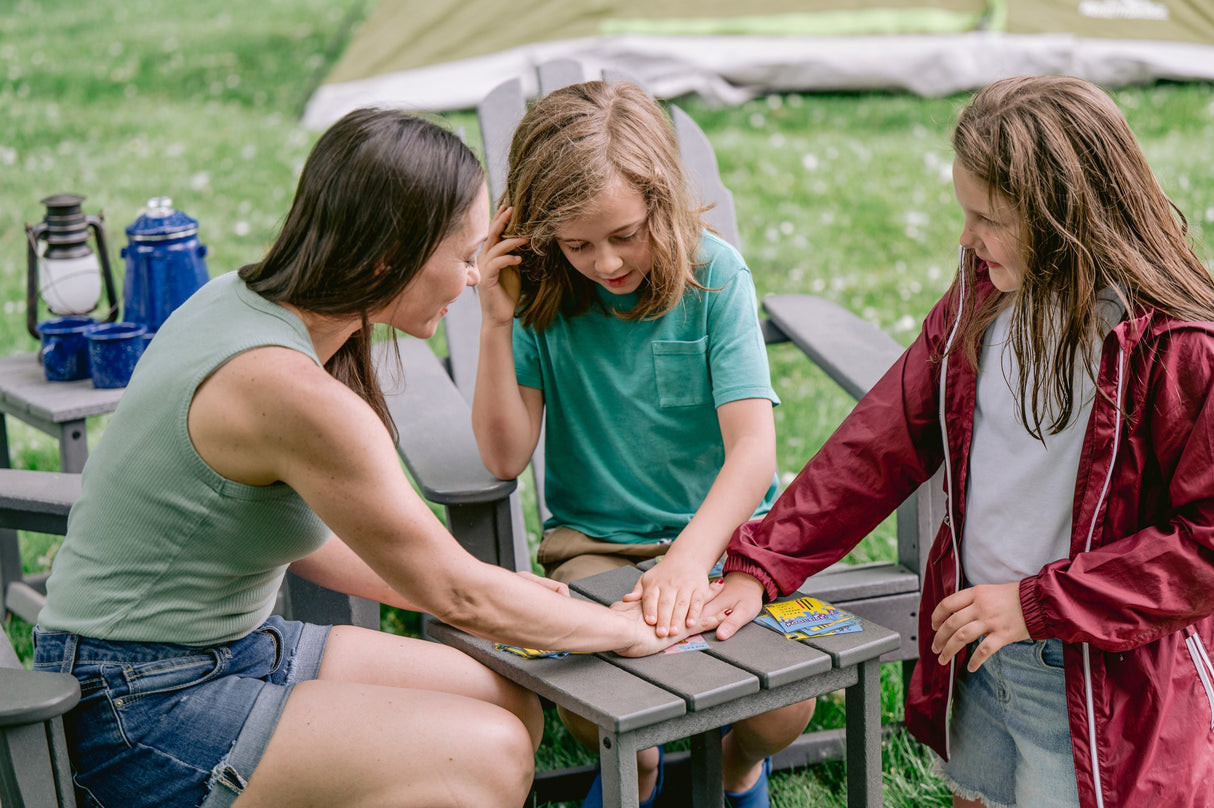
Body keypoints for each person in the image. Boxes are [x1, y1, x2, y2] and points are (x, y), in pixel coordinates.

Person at [31, 107, 704, 808]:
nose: (475, 277)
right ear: (392, 260)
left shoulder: (243, 302)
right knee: (489, 756)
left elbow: (351, 549)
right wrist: (622, 628)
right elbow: (457, 596)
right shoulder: (290, 391)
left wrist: (485, 588)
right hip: (133, 706)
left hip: (231, 649)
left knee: (509, 703)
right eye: (464, 256)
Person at [709, 74, 1214, 808]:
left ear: (1063, 216)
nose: (966, 237)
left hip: (1095, 689)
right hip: (977, 655)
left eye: (988, 217)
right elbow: (879, 442)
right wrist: (765, 562)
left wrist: (1038, 605)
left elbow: (1204, 544)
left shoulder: (1176, 351)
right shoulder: (983, 302)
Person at [471, 80, 816, 808]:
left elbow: (753, 451)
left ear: (662, 203)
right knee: (614, 715)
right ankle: (641, 777)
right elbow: (504, 458)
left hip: (724, 541)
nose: (605, 263)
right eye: (577, 244)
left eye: (625, 234)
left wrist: (689, 561)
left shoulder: (715, 276)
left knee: (785, 708)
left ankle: (735, 768)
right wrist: (496, 324)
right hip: (594, 545)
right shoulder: (540, 297)